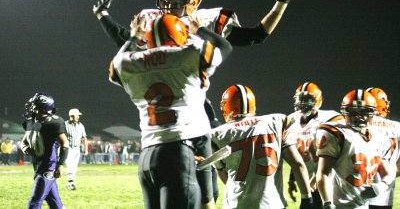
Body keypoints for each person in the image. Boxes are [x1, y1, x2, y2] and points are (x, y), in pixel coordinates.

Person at [109, 13, 232, 209]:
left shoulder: (128, 63)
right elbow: (225, 47)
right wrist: (198, 30)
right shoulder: (189, 55)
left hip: (148, 156)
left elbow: (115, 67)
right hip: (178, 153)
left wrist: (133, 37)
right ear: (179, 34)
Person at [93, 0, 291, 48]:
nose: (169, 7)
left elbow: (255, 36)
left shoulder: (205, 19)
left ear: (193, 2)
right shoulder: (150, 17)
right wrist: (103, 15)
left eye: (176, 1)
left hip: (190, 94)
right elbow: (124, 40)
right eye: (166, 0)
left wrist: (281, 2)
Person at [210, 84, 314, 209]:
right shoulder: (276, 121)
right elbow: (298, 164)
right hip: (273, 204)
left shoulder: (218, 134)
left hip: (238, 205)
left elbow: (222, 173)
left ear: (227, 106)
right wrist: (307, 199)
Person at [316, 89, 395, 209]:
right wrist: (327, 203)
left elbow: (389, 174)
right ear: (345, 112)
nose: (358, 117)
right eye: (353, 112)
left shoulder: (380, 138)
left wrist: (381, 186)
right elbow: (323, 173)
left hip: (363, 205)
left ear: (372, 112)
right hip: (339, 205)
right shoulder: (337, 133)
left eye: (363, 112)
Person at [284, 82, 345, 208]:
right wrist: (292, 179)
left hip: (326, 179)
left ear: (318, 101)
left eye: (307, 100)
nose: (303, 104)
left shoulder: (330, 119)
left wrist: (319, 176)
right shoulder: (291, 120)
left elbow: (337, 152)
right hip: (306, 180)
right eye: (301, 100)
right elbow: (294, 153)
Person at [20, 92, 69, 209]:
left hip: (48, 167)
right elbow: (24, 141)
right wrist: (25, 148)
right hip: (38, 166)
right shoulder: (31, 121)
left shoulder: (54, 122)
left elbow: (65, 143)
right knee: (55, 204)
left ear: (41, 107)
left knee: (35, 202)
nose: (31, 106)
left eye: (33, 104)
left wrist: (60, 165)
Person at [367, 87, 400, 209]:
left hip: (356, 189)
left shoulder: (357, 125)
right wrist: (393, 172)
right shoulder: (396, 127)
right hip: (384, 194)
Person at [64, 108, 88, 190]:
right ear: (72, 116)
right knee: (69, 164)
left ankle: (70, 182)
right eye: (77, 115)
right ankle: (70, 182)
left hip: (77, 148)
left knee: (74, 166)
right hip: (68, 147)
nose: (78, 117)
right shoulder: (65, 124)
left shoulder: (80, 125)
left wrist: (86, 149)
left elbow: (84, 138)